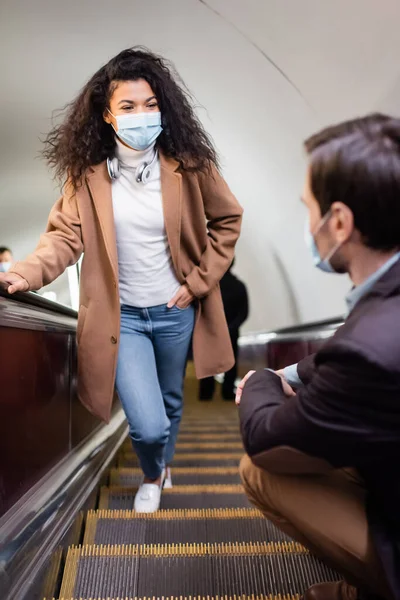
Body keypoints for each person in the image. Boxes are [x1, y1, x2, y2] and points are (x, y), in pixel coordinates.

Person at [0, 47, 243, 513]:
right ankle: (153, 471)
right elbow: (62, 239)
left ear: (164, 109)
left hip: (175, 312)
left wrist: (197, 282)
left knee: (172, 399)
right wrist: (23, 274)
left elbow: (228, 219)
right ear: (107, 116)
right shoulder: (86, 176)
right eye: (128, 107)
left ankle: (162, 467)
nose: (142, 115)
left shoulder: (189, 167)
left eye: (151, 104)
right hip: (123, 318)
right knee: (148, 421)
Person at [236, 114, 400, 600]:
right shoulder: (383, 304)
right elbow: (348, 343)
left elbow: (264, 439)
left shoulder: (370, 350)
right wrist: (293, 378)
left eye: (309, 208)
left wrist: (263, 380)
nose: (308, 225)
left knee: (261, 469)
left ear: (341, 222)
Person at [199, 258, 248, 400]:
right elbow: (244, 312)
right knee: (231, 363)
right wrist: (231, 327)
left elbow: (202, 309)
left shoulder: (209, 286)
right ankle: (227, 392)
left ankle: (206, 393)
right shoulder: (239, 286)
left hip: (210, 331)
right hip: (231, 332)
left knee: (208, 363)